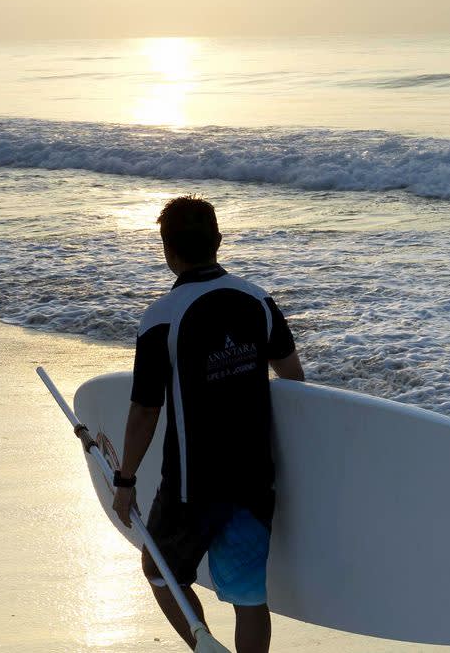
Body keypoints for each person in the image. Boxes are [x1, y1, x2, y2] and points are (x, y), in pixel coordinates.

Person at [111, 195, 302, 653]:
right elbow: (294, 379)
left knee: (160, 572)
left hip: (190, 487)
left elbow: (144, 411)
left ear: (167, 250)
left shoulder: (160, 318)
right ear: (218, 241)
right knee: (249, 597)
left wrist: (125, 480)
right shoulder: (258, 301)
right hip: (253, 477)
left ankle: (203, 645)